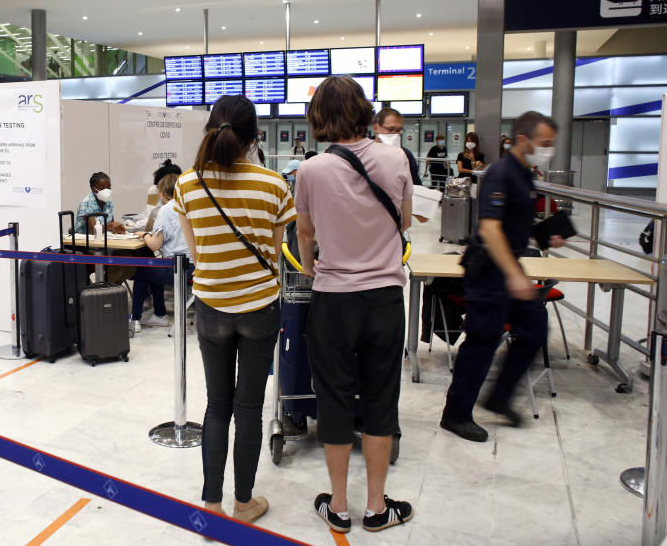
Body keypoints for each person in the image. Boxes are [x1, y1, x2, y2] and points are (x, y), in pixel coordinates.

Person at [296, 76, 414, 534]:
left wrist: (311, 268)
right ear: (364, 110)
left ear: (321, 117)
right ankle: (378, 506)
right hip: (385, 298)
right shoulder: (396, 157)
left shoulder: (311, 169)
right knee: (383, 399)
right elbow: (404, 220)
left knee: (334, 400)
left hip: (333, 300)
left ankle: (340, 506)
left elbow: (305, 233)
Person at [174, 94, 296, 525]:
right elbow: (276, 251)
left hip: (211, 306)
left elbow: (195, 251)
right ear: (253, 136)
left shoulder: (187, 185)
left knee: (216, 406)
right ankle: (244, 504)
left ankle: (211, 505)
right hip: (260, 306)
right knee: (248, 409)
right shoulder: (275, 184)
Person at [440, 112, 565, 442]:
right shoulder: (501, 173)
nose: (548, 149)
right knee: (482, 341)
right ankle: (455, 414)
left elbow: (514, 225)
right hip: (491, 273)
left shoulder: (524, 174)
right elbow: (490, 228)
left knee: (535, 329)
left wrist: (544, 235)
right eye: (545, 143)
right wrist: (513, 276)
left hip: (509, 267)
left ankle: (499, 397)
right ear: (523, 139)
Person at [129, 173, 190, 334]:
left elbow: (155, 244)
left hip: (176, 269)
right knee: (153, 268)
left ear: (162, 193)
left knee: (143, 270)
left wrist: (144, 235)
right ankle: (159, 314)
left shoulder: (165, 210)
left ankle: (135, 319)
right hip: (193, 268)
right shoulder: (189, 206)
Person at [372, 108, 422, 186]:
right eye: (390, 129)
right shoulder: (364, 152)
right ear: (375, 128)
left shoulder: (406, 155)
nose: (395, 134)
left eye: (399, 130)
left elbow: (415, 185)